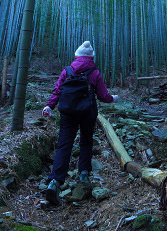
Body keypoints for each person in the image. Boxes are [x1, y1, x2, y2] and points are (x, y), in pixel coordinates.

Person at [42, 41, 119, 204]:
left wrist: (49, 106)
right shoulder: (94, 73)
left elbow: (57, 91)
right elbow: (103, 96)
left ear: (76, 56)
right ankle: (83, 174)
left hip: (67, 113)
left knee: (64, 145)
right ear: (91, 57)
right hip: (87, 113)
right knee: (85, 142)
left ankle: (55, 181)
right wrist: (114, 99)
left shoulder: (67, 71)